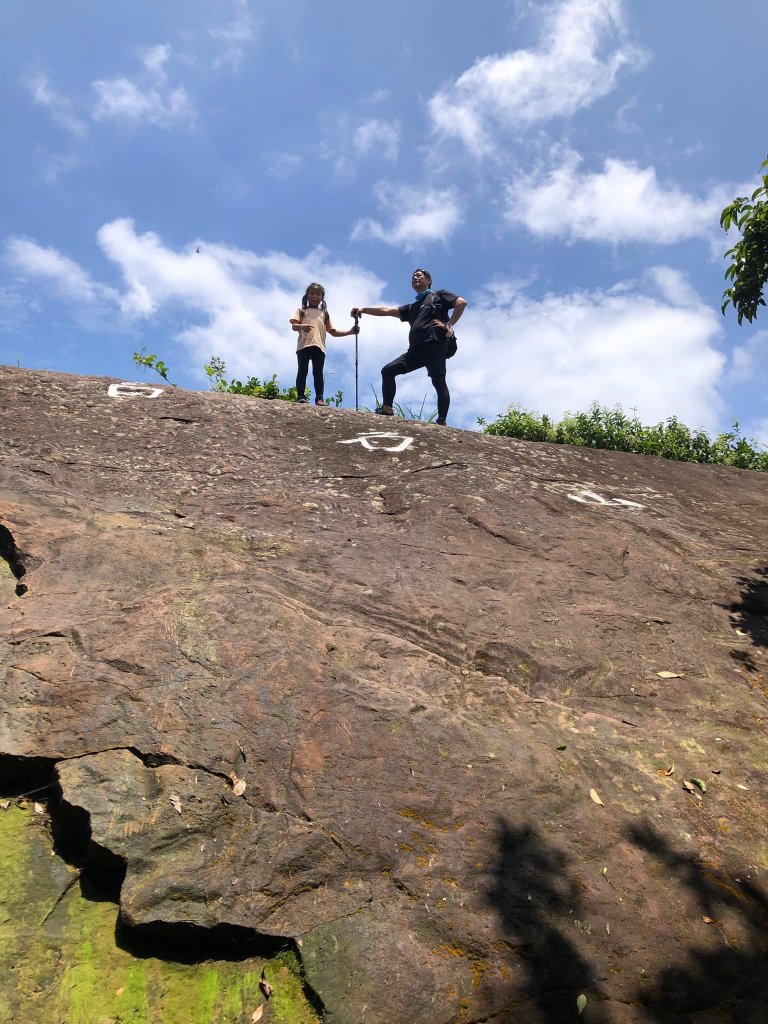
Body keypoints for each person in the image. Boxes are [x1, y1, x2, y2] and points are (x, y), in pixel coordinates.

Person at [351, 269, 467, 424]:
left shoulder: (438, 295)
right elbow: (387, 310)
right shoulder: (412, 307)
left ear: (429, 280)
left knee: (439, 382)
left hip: (434, 345)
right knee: (388, 370)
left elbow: (461, 302)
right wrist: (363, 309)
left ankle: (441, 420)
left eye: (419, 276)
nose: (415, 278)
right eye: (413, 277)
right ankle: (387, 408)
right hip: (415, 350)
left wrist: (448, 324)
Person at [290, 283, 358, 406]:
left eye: (318, 294)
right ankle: (300, 396)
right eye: (311, 293)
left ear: (322, 298)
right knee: (302, 371)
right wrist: (302, 326)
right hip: (303, 345)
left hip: (319, 346)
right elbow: (294, 326)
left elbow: (333, 332)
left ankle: (319, 398)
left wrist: (350, 332)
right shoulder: (301, 311)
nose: (314, 296)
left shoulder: (324, 314)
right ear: (306, 296)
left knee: (318, 372)